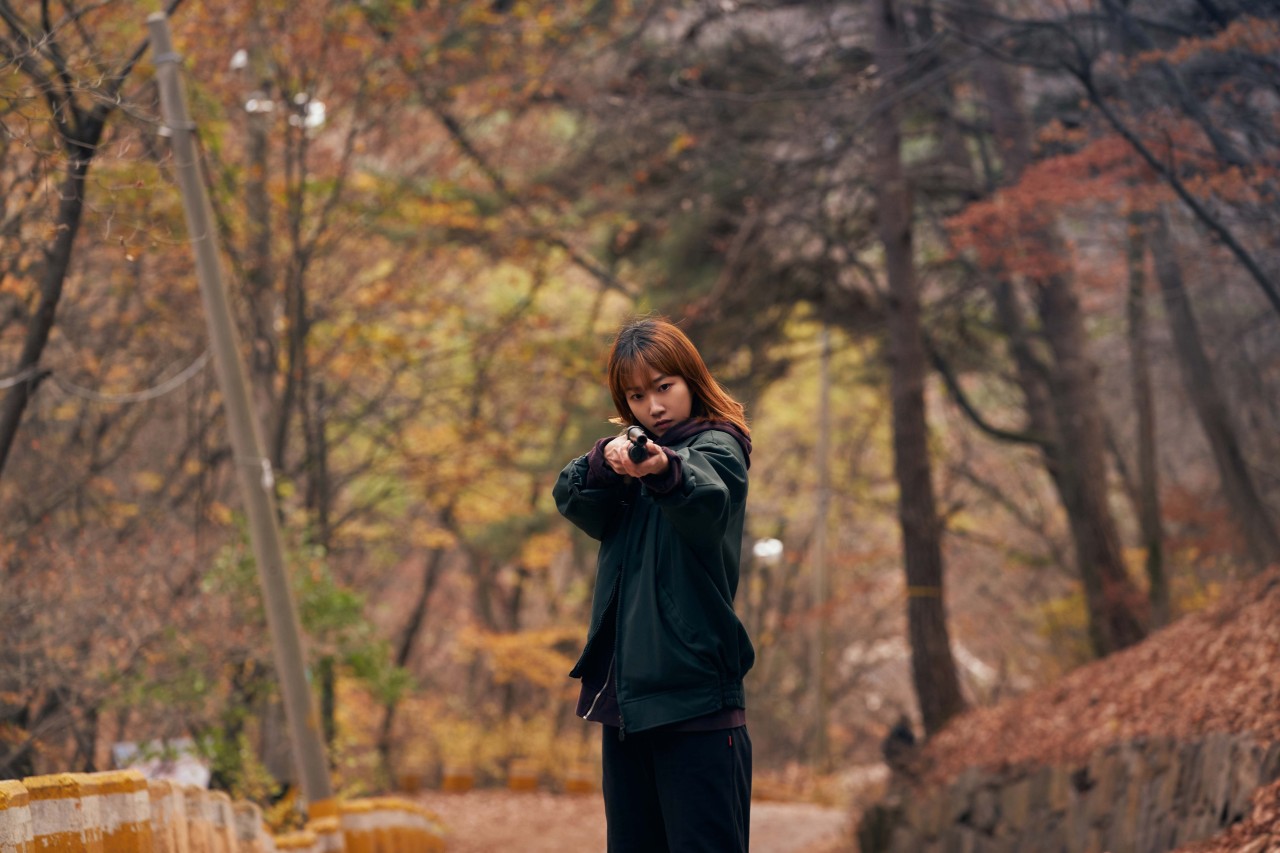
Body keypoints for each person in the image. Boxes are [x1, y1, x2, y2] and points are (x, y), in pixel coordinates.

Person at [553, 317, 755, 853]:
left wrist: (662, 469)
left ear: (691, 379)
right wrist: (605, 460)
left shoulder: (719, 447)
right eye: (637, 396)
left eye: (664, 387)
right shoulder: (632, 460)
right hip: (629, 708)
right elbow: (571, 494)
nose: (654, 407)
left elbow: (705, 495)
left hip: (697, 707)